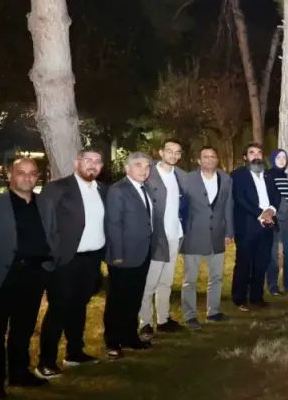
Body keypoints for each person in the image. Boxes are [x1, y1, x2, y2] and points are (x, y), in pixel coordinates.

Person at [0, 157, 50, 400]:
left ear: (38, 177)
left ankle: (19, 372)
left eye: (32, 173)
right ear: (10, 176)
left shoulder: (45, 205)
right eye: (21, 172)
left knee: (23, 329)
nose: (27, 177)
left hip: (34, 276)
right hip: (0, 278)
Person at [37, 148, 108, 379]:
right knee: (58, 310)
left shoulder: (102, 190)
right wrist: (50, 258)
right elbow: (43, 224)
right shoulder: (57, 188)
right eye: (88, 160)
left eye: (97, 161)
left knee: (79, 307)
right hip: (65, 260)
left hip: (91, 260)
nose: (93, 165)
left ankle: (74, 352)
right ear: (77, 163)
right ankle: (46, 361)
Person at [103, 152, 159, 360]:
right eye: (138, 165)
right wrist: (117, 254)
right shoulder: (118, 190)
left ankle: (129, 336)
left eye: (147, 166)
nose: (144, 170)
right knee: (118, 300)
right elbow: (113, 224)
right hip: (123, 255)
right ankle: (112, 341)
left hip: (142, 253)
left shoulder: (145, 188)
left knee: (134, 297)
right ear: (127, 168)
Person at [181, 146, 235, 330]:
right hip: (193, 235)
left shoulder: (226, 179)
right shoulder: (188, 179)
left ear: (217, 159)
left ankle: (213, 311)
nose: (210, 159)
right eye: (205, 156)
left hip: (217, 235)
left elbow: (228, 206)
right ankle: (189, 315)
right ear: (199, 160)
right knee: (190, 279)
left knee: (217, 276)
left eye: (213, 156)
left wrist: (229, 232)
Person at [140, 139, 186, 340]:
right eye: (169, 151)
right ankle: (145, 323)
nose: (173, 155)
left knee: (166, 281)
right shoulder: (149, 175)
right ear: (161, 152)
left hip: (175, 234)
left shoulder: (180, 176)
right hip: (157, 237)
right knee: (149, 282)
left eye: (177, 152)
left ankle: (163, 319)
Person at [230, 143, 280, 311]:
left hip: (267, 226)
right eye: (252, 153)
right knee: (244, 263)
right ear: (245, 157)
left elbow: (276, 195)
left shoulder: (269, 175)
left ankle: (257, 297)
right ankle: (239, 298)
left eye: (259, 152)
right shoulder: (238, 175)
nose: (256, 156)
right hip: (247, 226)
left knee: (261, 263)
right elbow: (240, 198)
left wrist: (271, 210)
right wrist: (261, 214)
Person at [265, 149, 288, 294]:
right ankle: (273, 285)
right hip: (275, 220)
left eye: (284, 157)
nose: (281, 160)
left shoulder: (287, 176)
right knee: (273, 255)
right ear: (273, 159)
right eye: (278, 157)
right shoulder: (268, 175)